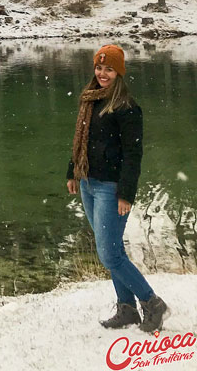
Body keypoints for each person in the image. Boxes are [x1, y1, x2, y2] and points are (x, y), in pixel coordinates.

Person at [66, 43, 168, 333]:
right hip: (87, 183)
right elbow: (79, 142)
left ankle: (152, 302)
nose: (102, 73)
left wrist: (126, 194)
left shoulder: (128, 109)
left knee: (109, 255)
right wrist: (72, 172)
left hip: (110, 189)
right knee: (111, 250)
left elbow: (133, 156)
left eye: (108, 68)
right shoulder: (90, 100)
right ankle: (126, 308)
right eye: (99, 67)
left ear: (119, 72)